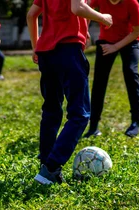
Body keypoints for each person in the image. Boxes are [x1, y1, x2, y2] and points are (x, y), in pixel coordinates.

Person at [27, 0, 113, 185]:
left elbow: (32, 14)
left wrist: (36, 46)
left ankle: (45, 167)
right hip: (68, 51)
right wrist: (103, 18)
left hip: (46, 53)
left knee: (51, 111)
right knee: (80, 114)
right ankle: (51, 168)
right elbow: (77, 7)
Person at [84, 0, 139, 138]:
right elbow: (84, 9)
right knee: (99, 80)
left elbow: (137, 31)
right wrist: (85, 30)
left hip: (130, 41)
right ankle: (93, 126)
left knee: (131, 72)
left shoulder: (132, 3)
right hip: (106, 41)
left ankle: (135, 121)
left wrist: (115, 47)